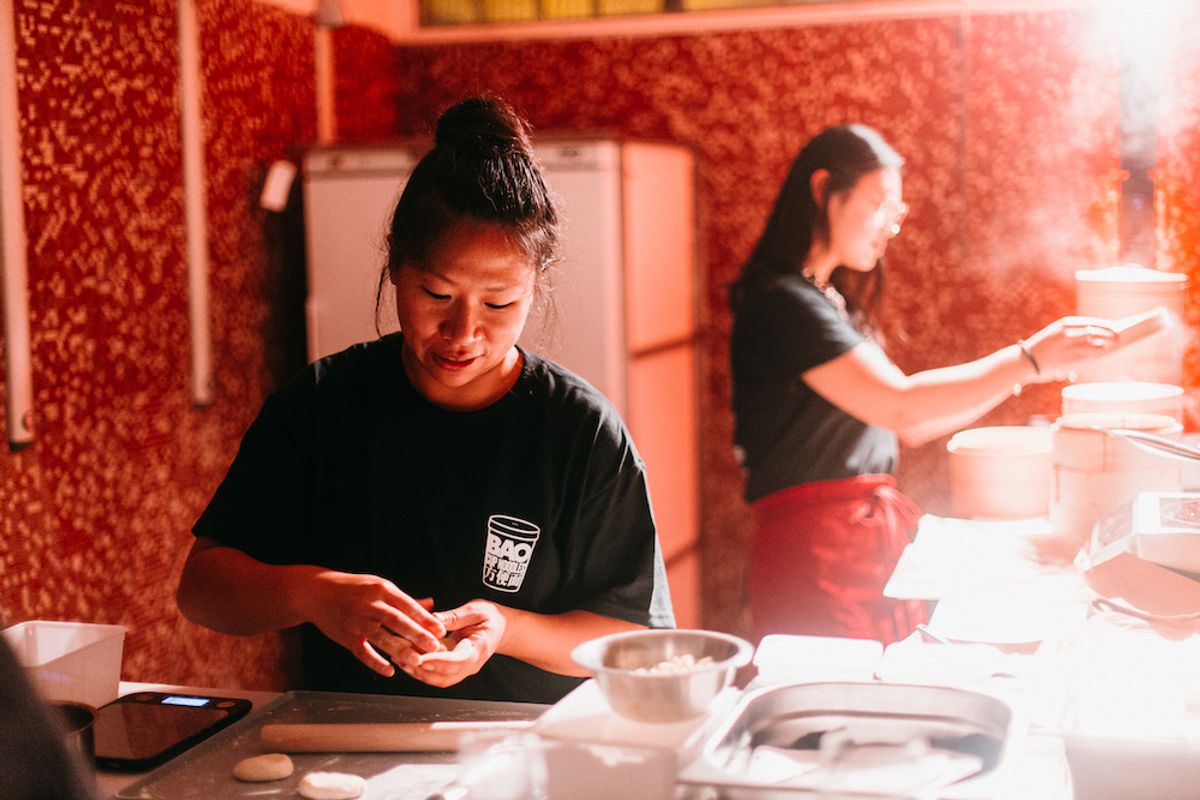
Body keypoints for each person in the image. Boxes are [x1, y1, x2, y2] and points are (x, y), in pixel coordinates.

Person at [177, 97, 674, 704]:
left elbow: (629, 638)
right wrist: (315, 593)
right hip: (345, 752)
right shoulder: (322, 405)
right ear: (395, 266)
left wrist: (505, 628)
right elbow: (203, 586)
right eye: (436, 293)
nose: (463, 332)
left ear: (533, 288)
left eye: (498, 303)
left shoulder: (580, 431)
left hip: (522, 756)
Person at [729, 124, 1124, 645]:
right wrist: (1028, 360)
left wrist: (1028, 372)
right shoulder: (783, 303)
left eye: (896, 212)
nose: (889, 228)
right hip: (814, 553)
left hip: (849, 545)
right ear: (824, 189)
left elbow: (914, 425)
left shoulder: (827, 299)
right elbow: (904, 409)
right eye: (878, 205)